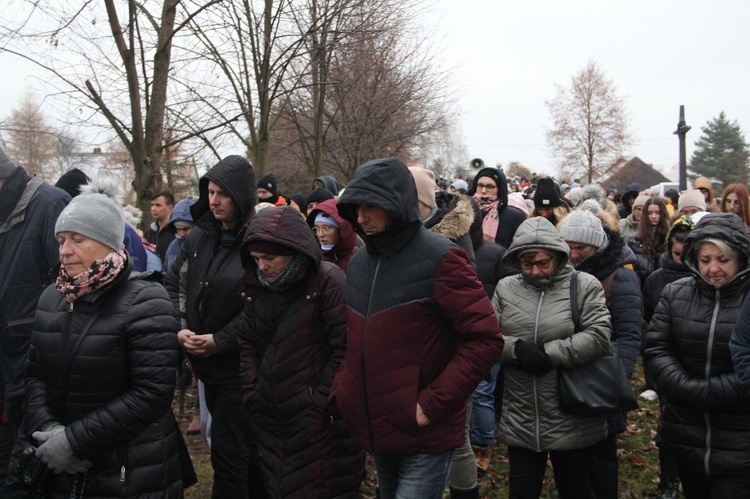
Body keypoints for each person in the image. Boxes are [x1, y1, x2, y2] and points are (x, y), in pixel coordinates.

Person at [331, 157, 504, 499]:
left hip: (425, 431)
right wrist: (345, 390)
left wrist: (431, 405)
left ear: (397, 204)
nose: (361, 218)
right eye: (355, 208)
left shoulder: (443, 257)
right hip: (377, 422)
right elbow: (352, 336)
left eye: (371, 207)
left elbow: (484, 339)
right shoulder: (361, 261)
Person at [24, 192, 193, 497]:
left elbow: (152, 393)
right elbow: (35, 375)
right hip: (61, 471)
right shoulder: (52, 297)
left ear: (107, 243)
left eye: (77, 239)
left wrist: (73, 442)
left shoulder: (147, 300)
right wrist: (48, 432)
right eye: (61, 240)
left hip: (131, 472)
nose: (65, 251)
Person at [237, 206, 364, 497]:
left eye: (270, 258)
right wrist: (252, 390)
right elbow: (248, 342)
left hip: (318, 422)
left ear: (295, 251)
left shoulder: (328, 281)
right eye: (256, 259)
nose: (263, 267)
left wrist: (320, 401)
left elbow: (344, 347)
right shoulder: (255, 286)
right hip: (270, 415)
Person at [493, 216, 612, 499]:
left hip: (570, 409)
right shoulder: (506, 288)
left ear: (558, 257)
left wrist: (550, 353)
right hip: (521, 413)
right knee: (522, 490)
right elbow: (487, 338)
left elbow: (599, 334)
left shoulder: (584, 285)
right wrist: (515, 349)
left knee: (575, 488)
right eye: (526, 263)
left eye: (542, 263)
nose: (534, 271)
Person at [165, 155, 263, 498]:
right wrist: (180, 326)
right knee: (235, 451)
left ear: (242, 196)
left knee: (231, 455)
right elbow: (175, 283)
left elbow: (263, 303)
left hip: (243, 368)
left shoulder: (258, 240)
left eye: (223, 193)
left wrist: (221, 340)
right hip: (207, 367)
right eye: (210, 191)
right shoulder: (200, 237)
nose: (214, 200)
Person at [645, 213, 750, 498]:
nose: (713, 269)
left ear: (741, 258)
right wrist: (682, 386)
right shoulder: (674, 293)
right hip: (686, 431)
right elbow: (657, 347)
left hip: (739, 437)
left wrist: (711, 392)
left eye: (723, 260)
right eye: (705, 260)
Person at [0, 147, 70, 494]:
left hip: (36, 366)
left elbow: (69, 289)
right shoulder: (4, 213)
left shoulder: (49, 205)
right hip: (6, 366)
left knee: (29, 470)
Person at [560, 209, 642, 499]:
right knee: (569, 457)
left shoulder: (620, 278)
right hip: (569, 378)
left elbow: (631, 334)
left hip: (604, 381)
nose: (572, 254)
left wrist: (618, 379)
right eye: (567, 247)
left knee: (601, 457)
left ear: (597, 245)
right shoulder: (563, 273)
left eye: (580, 247)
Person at [409, 166, 478, 498]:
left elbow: (472, 316)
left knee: (456, 437)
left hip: (449, 355)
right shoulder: (404, 237)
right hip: (412, 355)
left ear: (421, 202)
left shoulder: (451, 242)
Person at [640, 215, 694, 499]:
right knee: (669, 425)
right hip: (669, 365)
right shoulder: (657, 279)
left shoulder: (704, 278)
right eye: (676, 253)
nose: (682, 259)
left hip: (699, 362)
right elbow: (649, 322)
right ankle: (669, 482)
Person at [468, 166, 526, 248]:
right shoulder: (463, 212)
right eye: (480, 186)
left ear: (500, 189)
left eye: (490, 187)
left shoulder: (514, 217)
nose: (483, 191)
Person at [306, 198, 357, 271]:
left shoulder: (358, 258)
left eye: (325, 228)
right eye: (316, 228)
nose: (320, 234)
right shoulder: (313, 257)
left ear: (341, 230)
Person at [628, 197, 670, 285]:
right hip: (642, 285)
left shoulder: (669, 238)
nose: (653, 216)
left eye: (657, 213)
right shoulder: (634, 240)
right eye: (650, 213)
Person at [144, 190, 176, 263]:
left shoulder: (176, 232)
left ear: (170, 208)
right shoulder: (149, 232)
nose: (153, 209)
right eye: (152, 205)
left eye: (158, 205)